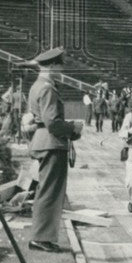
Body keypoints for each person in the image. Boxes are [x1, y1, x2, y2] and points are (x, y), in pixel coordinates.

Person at [25, 47, 83, 252]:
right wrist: (73, 128)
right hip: (51, 143)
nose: (62, 69)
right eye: (60, 65)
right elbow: (53, 123)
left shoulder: (37, 86)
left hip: (44, 142)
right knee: (50, 192)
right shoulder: (48, 88)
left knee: (45, 191)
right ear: (52, 66)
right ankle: (41, 238)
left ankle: (43, 236)